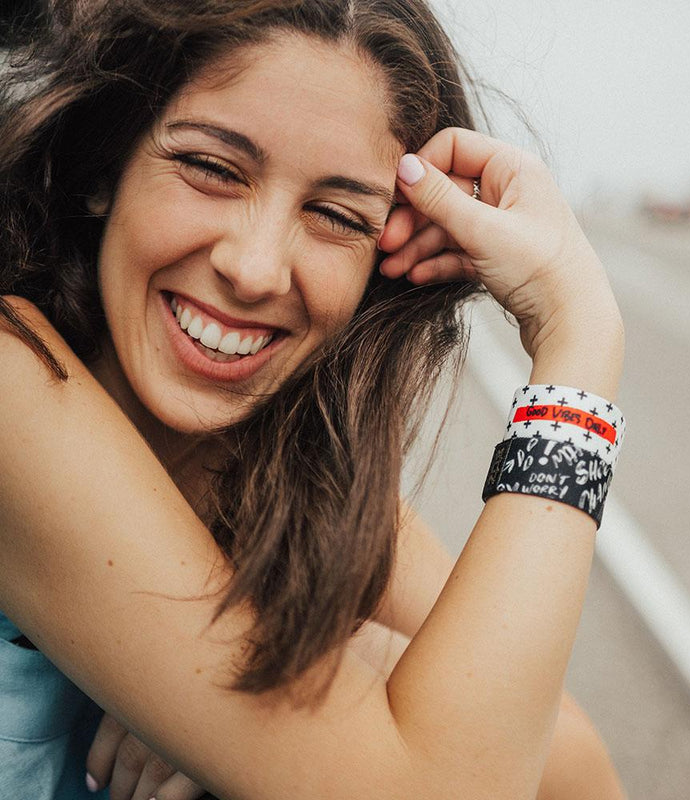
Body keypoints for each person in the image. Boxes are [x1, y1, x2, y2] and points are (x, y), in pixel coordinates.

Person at [0, 1, 627, 798]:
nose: (256, 268)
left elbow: (574, 765)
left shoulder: (284, 475)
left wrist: (334, 665)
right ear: (103, 170)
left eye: (333, 214)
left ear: (384, 260)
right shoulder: (14, 375)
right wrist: (578, 345)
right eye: (212, 168)